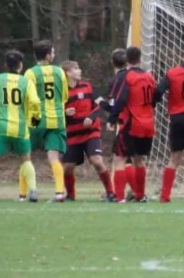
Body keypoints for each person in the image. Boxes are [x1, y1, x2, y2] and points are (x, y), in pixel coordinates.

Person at [0, 50, 41, 202]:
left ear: (5, 65)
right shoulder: (26, 82)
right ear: (21, 66)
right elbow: (35, 102)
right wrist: (35, 120)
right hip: (20, 128)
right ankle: (33, 190)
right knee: (26, 160)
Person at [153, 44, 184, 203]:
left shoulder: (172, 73)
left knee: (174, 157)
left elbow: (158, 91)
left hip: (177, 118)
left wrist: (155, 102)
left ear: (183, 55)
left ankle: (165, 195)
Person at [60, 61, 115, 202]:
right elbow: (55, 111)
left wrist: (91, 117)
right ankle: (70, 196)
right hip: (72, 134)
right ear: (67, 73)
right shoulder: (61, 91)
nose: (80, 70)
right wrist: (64, 112)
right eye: (76, 68)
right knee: (67, 168)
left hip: (91, 132)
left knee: (96, 161)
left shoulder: (87, 87)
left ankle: (111, 193)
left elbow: (100, 105)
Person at [108, 46, 156, 203]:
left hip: (132, 123)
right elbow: (155, 98)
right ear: (140, 59)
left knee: (120, 158)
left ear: (127, 60)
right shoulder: (149, 77)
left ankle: (120, 196)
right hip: (148, 123)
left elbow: (121, 99)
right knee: (138, 160)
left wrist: (112, 118)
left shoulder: (127, 77)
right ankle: (140, 195)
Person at [24, 40, 68, 202]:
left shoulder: (30, 73)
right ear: (48, 55)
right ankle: (59, 192)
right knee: (54, 157)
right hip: (56, 118)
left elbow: (28, 97)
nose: (54, 55)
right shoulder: (59, 72)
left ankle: (25, 194)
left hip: (36, 119)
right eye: (53, 52)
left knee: (26, 156)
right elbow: (64, 96)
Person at [97, 48, 138, 202]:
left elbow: (116, 104)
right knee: (130, 158)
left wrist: (109, 116)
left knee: (119, 158)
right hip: (141, 120)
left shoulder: (117, 80)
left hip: (125, 121)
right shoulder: (135, 75)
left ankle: (121, 193)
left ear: (111, 62)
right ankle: (135, 191)